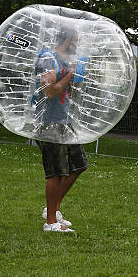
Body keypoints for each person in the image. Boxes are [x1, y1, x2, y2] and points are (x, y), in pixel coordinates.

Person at [34, 27, 88, 232]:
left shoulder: (66, 62)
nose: (77, 44)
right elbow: (49, 92)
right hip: (49, 122)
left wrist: (74, 79)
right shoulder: (49, 59)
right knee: (56, 172)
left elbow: (65, 91)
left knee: (79, 164)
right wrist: (70, 75)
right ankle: (50, 223)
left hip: (64, 121)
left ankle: (53, 211)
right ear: (66, 40)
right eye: (75, 40)